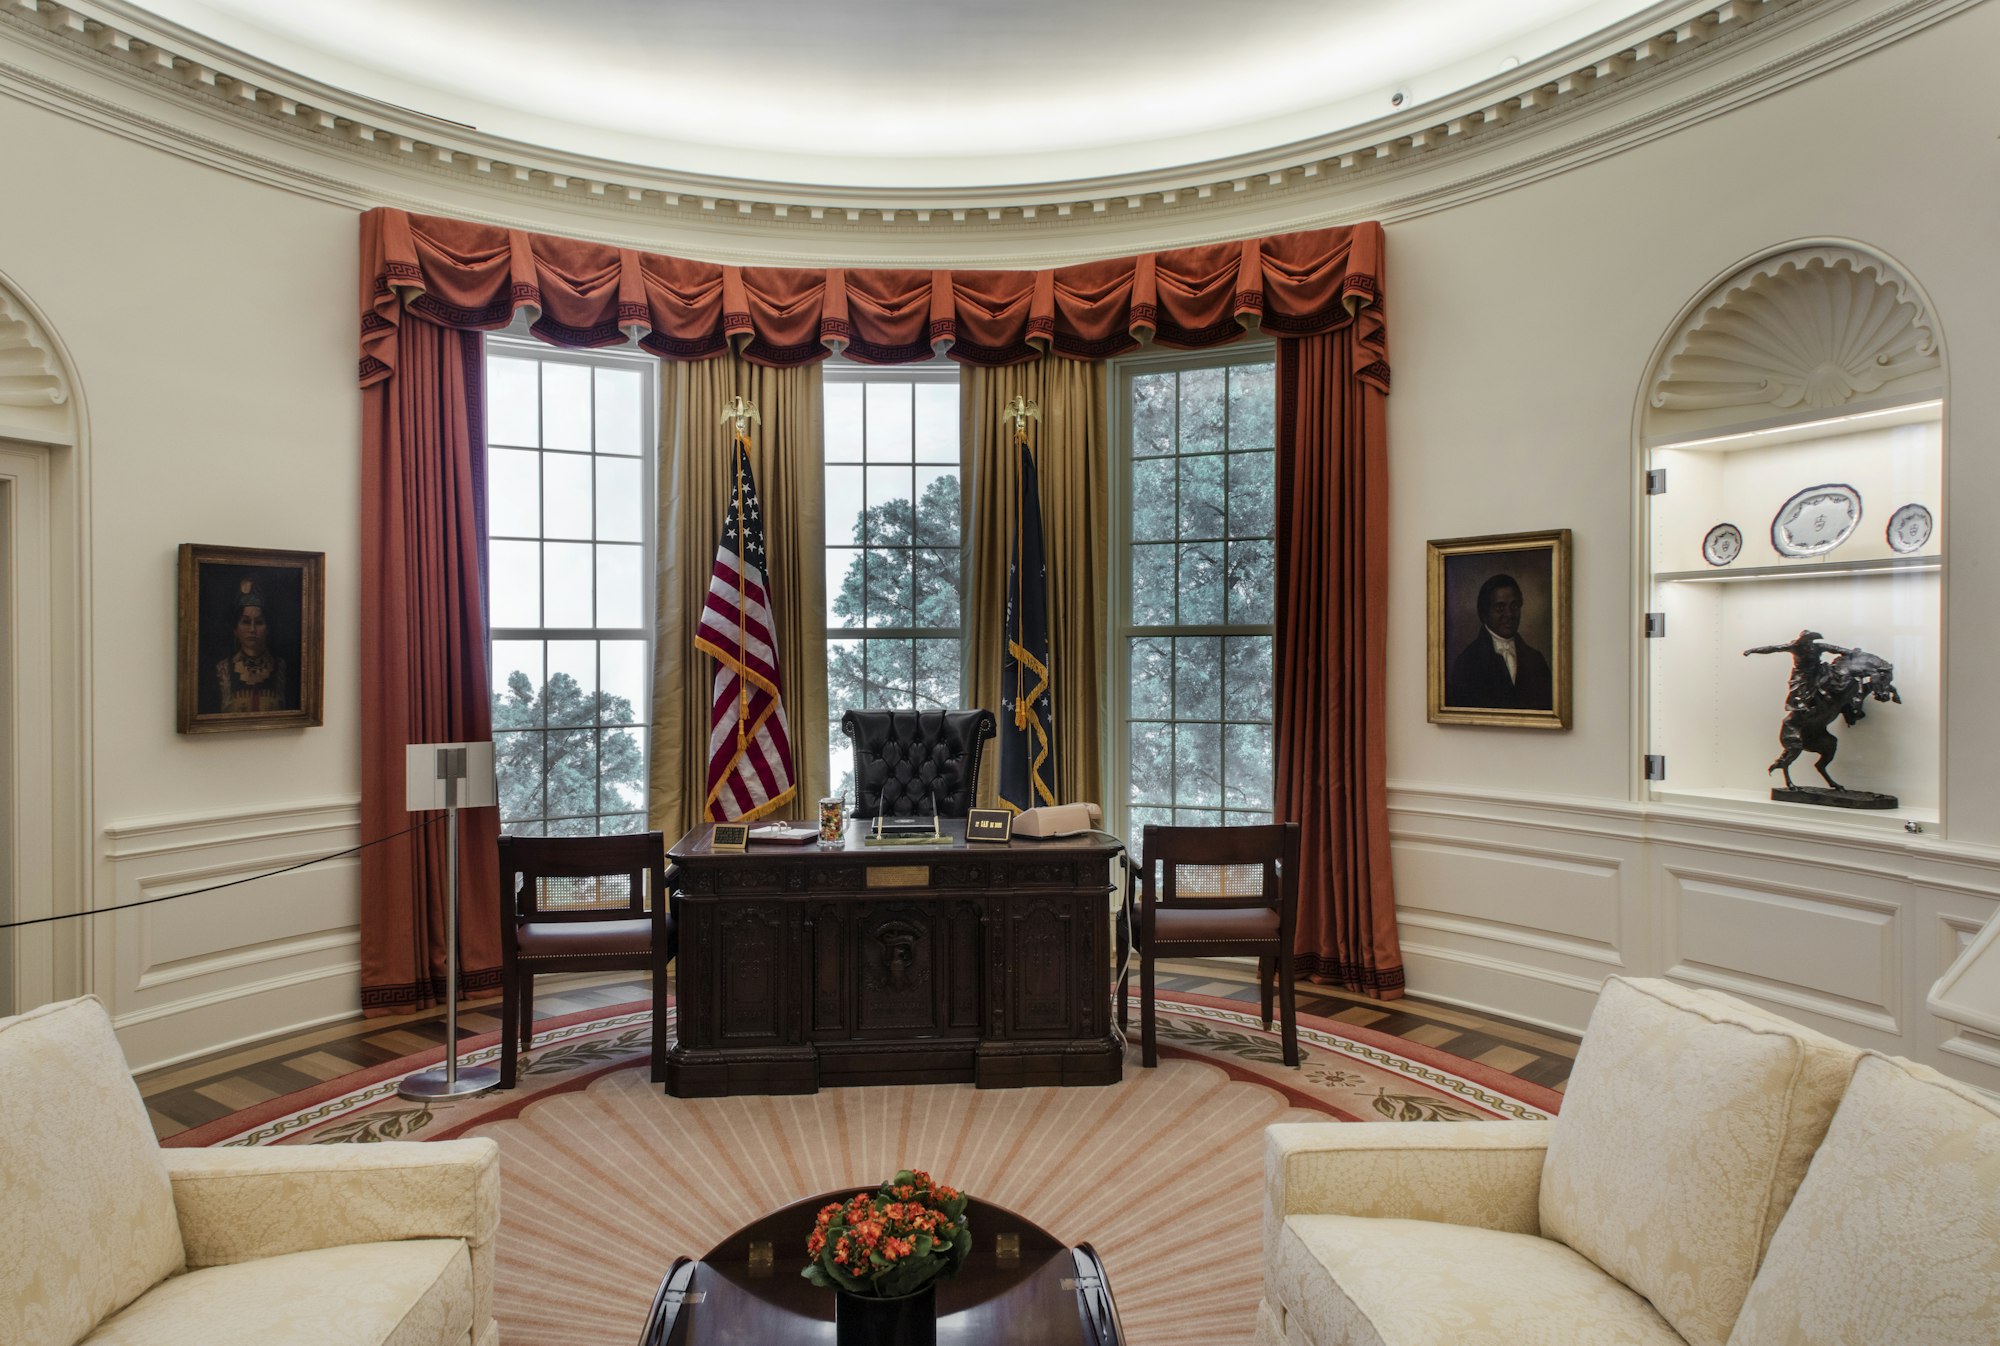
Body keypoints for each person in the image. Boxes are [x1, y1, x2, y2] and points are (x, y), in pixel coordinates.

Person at [1445, 572, 1552, 710]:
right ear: (1484, 613)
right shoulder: (1467, 663)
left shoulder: (1536, 660)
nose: (1509, 614)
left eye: (1514, 606)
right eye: (1500, 607)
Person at [207, 577, 291, 713]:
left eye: (259, 622)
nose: (252, 629)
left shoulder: (282, 667)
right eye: (246, 622)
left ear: (268, 628)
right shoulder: (222, 669)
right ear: (235, 629)